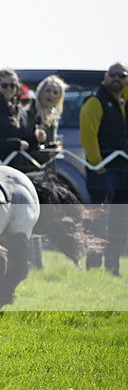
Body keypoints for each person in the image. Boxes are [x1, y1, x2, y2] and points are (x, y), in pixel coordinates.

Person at [79, 62, 128, 276]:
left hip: (122, 171)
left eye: (123, 75)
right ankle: (93, 266)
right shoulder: (95, 101)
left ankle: (112, 267)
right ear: (106, 76)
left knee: (119, 220)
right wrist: (97, 163)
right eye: (114, 74)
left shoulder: (123, 102)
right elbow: (88, 136)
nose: (118, 78)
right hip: (102, 171)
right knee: (98, 219)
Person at [0, 68, 38, 172]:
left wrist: (36, 138)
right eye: (4, 85)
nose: (9, 89)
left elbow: (26, 136)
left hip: (22, 166)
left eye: (13, 85)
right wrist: (16, 144)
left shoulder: (20, 109)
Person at [26, 74, 68, 169]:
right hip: (30, 165)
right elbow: (30, 146)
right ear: (40, 92)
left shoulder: (54, 117)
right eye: (48, 91)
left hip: (47, 165)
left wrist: (55, 147)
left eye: (55, 92)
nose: (51, 95)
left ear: (59, 98)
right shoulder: (30, 112)